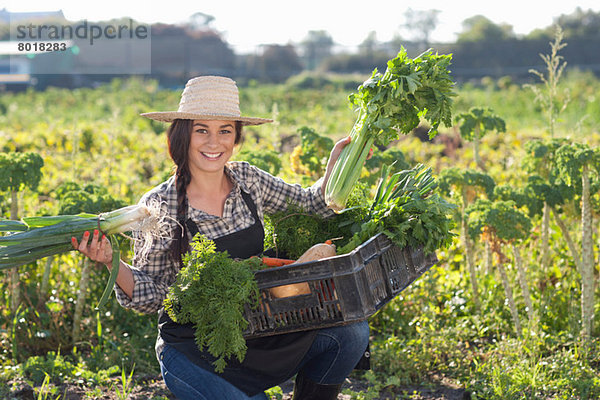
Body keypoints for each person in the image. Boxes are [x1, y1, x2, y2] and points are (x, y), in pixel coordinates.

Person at [72, 76, 370, 400]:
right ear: (183, 135)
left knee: (351, 333)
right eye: (202, 130)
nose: (214, 143)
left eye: (224, 131)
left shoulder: (248, 180)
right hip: (196, 352)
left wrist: (337, 165)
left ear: (235, 137)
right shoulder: (160, 206)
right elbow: (154, 294)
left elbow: (312, 204)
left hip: (259, 332)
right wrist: (110, 262)